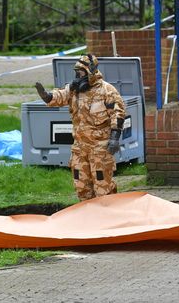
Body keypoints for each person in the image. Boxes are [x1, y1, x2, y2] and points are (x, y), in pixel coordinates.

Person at [35, 54, 126, 201]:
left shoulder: (106, 90)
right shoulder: (74, 90)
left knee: (103, 188)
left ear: (91, 71)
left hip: (100, 149)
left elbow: (118, 113)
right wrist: (46, 96)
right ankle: (87, 219)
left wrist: (115, 138)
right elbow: (59, 96)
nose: (78, 75)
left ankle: (108, 218)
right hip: (79, 148)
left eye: (81, 72)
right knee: (81, 187)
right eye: (76, 72)